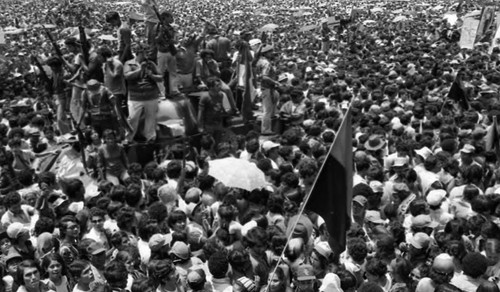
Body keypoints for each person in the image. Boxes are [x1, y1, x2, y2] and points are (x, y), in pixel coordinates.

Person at [124, 44, 163, 143]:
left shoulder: (151, 64)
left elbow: (160, 77)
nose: (148, 54)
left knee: (151, 118)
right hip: (135, 97)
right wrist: (140, 70)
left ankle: (150, 137)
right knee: (132, 118)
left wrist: (151, 75)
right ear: (139, 52)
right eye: (145, 51)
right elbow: (127, 76)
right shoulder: (129, 64)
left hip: (151, 96)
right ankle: (128, 138)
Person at [255, 45, 280, 135]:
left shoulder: (260, 61)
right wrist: (275, 83)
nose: (272, 53)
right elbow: (265, 77)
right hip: (267, 87)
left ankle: (271, 120)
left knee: (274, 100)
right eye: (270, 51)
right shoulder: (266, 63)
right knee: (267, 110)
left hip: (265, 87)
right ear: (265, 53)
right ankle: (265, 130)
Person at [197, 77, 230, 143]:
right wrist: (200, 127)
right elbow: (200, 113)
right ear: (211, 87)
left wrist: (226, 113)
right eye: (217, 85)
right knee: (209, 144)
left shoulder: (221, 95)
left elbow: (222, 108)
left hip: (218, 125)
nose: (220, 87)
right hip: (209, 126)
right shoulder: (205, 97)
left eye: (220, 85)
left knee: (218, 144)